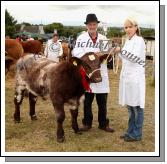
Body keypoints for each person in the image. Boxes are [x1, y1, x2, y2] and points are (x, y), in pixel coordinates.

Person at [72, 13, 116, 133]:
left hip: (100, 72)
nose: (92, 26)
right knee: (87, 102)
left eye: (94, 24)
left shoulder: (103, 38)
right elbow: (75, 52)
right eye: (90, 24)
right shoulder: (81, 38)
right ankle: (87, 123)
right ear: (87, 26)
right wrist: (91, 55)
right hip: (88, 74)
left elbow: (107, 54)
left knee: (102, 102)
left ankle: (103, 124)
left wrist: (102, 55)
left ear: (97, 25)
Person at [119, 17, 146, 142]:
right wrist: (118, 51)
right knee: (130, 107)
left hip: (135, 78)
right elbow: (123, 56)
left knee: (137, 107)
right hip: (128, 78)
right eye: (126, 27)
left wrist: (121, 51)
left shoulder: (139, 40)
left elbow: (134, 57)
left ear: (136, 27)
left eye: (130, 26)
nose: (128, 29)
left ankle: (137, 134)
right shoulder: (128, 40)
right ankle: (130, 132)